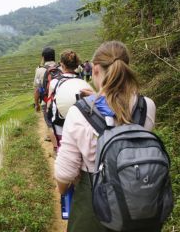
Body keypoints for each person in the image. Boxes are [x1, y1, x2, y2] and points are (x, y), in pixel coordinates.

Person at [54, 41, 157, 232]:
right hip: (139, 202)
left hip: (94, 208)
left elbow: (65, 175)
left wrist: (92, 102)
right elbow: (123, 124)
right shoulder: (147, 106)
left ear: (94, 70)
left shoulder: (79, 113)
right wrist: (96, 98)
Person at [47, 50, 81, 157]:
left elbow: (49, 104)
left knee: (63, 151)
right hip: (78, 124)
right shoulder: (81, 82)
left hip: (60, 123)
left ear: (61, 64)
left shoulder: (54, 82)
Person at [33, 47, 58, 149]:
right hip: (60, 100)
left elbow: (37, 89)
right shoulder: (61, 67)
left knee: (50, 125)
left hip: (46, 102)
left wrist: (36, 103)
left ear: (43, 57)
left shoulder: (39, 70)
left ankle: (56, 148)